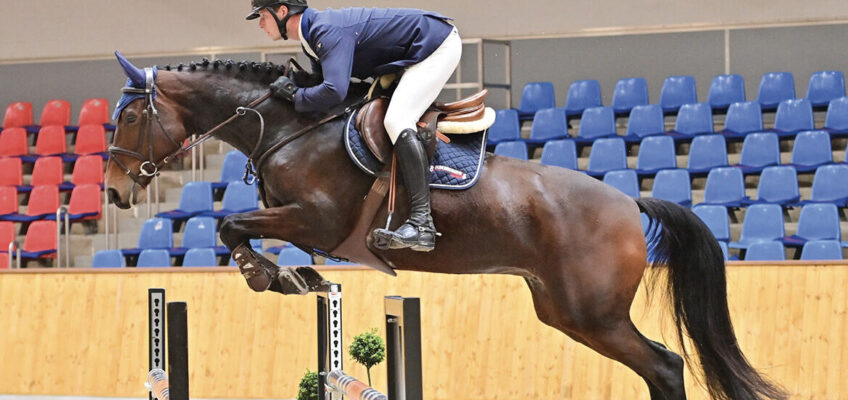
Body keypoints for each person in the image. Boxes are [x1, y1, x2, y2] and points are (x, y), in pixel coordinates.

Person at [246, 0, 462, 252]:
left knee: (397, 119)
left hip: (435, 46)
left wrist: (296, 96)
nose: (260, 23)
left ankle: (422, 224)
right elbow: (328, 93)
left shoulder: (325, 31)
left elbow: (335, 90)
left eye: (262, 15)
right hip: (412, 51)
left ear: (282, 11)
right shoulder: (311, 38)